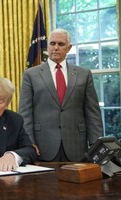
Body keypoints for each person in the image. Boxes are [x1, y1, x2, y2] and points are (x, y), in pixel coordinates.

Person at [18, 28, 103, 162]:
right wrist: (28, 143)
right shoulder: (31, 74)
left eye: (61, 44)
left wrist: (96, 144)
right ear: (48, 46)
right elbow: (25, 112)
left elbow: (93, 113)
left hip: (76, 145)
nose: (56, 48)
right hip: (43, 145)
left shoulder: (84, 74)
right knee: (45, 183)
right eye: (52, 44)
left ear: (69, 48)